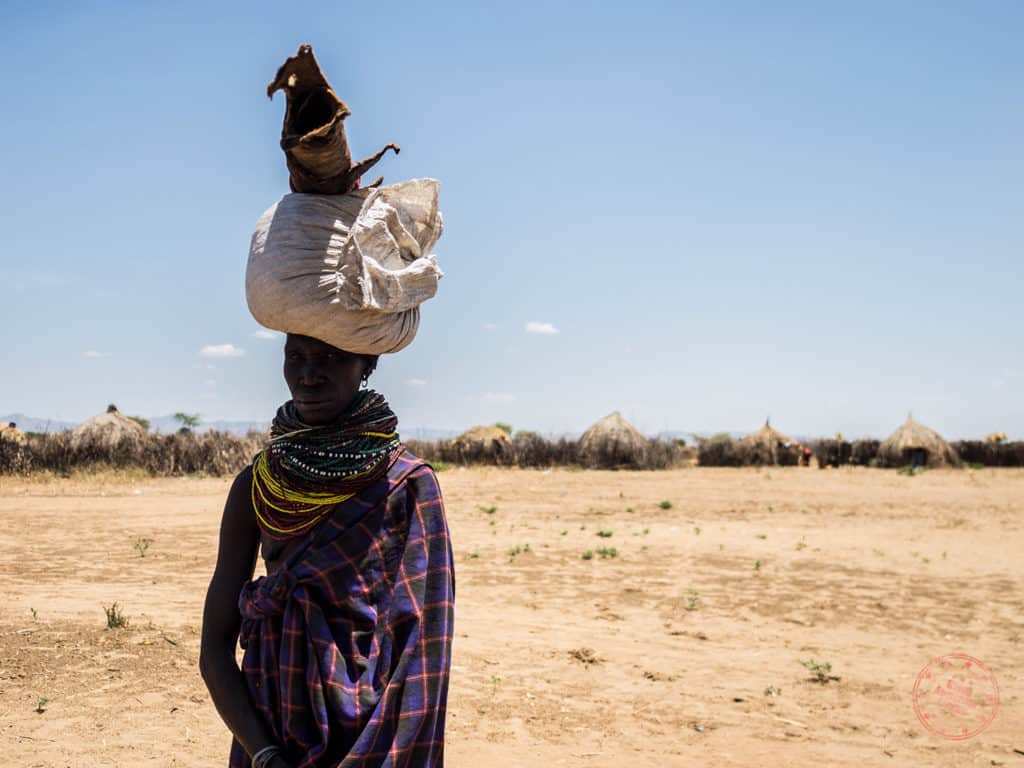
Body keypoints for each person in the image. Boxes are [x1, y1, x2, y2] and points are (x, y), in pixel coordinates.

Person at [200, 332, 454, 768]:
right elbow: (214, 648)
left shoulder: (407, 486)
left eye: (331, 358)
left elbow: (424, 650)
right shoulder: (257, 487)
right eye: (295, 357)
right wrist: (264, 753)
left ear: (367, 364)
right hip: (271, 723)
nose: (309, 375)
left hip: (376, 734)